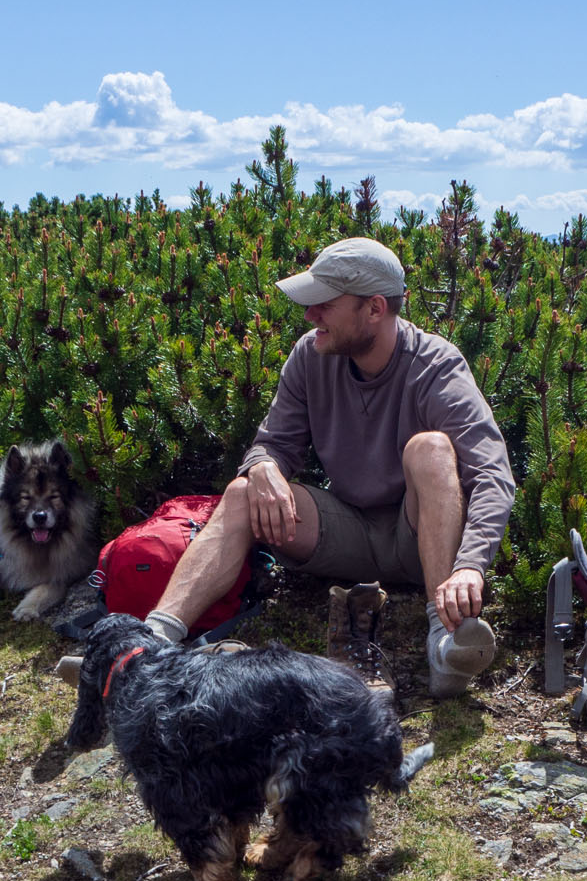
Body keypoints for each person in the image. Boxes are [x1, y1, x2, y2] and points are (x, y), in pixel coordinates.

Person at [142, 237, 516, 698]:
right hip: (347, 532)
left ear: (375, 309)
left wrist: (470, 568)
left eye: (324, 303)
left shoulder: (436, 366)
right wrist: (261, 466)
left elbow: (493, 475)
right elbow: (272, 444)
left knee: (432, 449)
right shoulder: (310, 355)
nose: (309, 314)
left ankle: (445, 639)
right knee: (243, 491)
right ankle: (152, 643)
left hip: (419, 538)